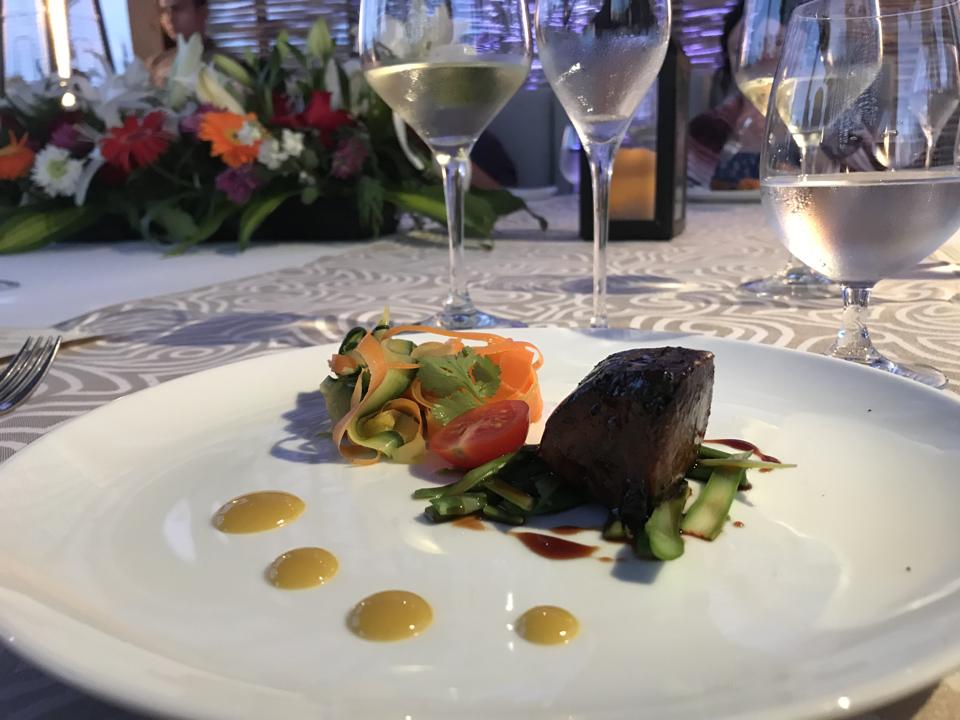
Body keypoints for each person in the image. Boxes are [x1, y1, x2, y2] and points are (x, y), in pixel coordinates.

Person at [687, 0, 764, 188]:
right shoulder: (707, 130)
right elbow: (686, 195)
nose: (756, 62)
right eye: (740, 52)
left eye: (772, 46)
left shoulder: (818, 132)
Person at [148, 0, 217, 87]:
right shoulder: (155, 64)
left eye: (177, 9)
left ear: (203, 11)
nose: (169, 19)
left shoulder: (226, 67)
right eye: (164, 11)